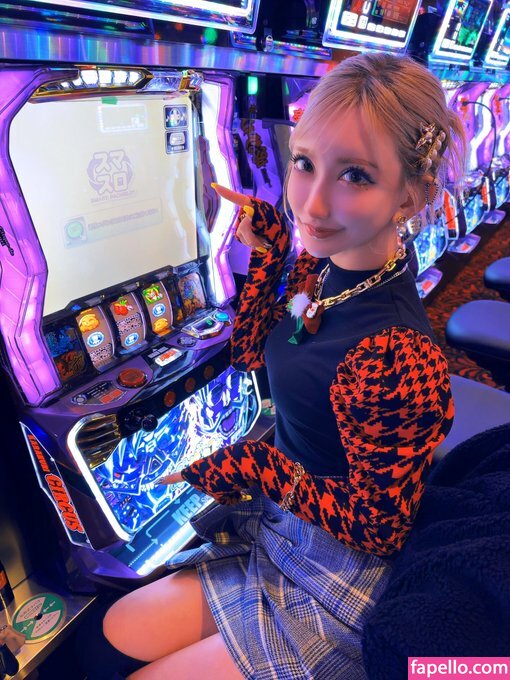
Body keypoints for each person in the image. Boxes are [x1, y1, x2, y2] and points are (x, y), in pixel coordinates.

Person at [100, 52, 467, 679]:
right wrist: (270, 253)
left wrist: (256, 466)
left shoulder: (394, 354)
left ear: (414, 194)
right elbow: (255, 352)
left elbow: (377, 529)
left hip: (342, 567)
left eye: (355, 175)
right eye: (303, 163)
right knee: (120, 627)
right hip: (279, 520)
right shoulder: (325, 268)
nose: (312, 205)